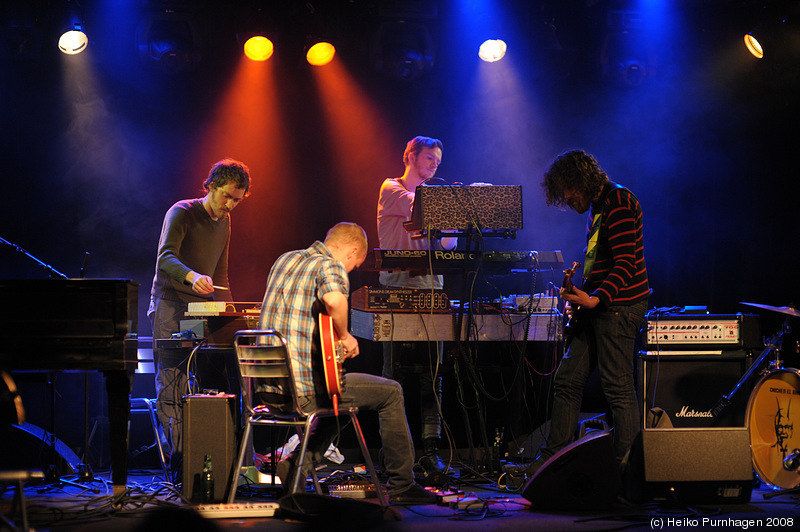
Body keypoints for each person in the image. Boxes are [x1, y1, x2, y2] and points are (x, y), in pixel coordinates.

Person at [257, 222, 436, 505]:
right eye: (354, 266)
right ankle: (402, 485)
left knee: (337, 396)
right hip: (302, 392)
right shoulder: (330, 265)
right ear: (352, 251)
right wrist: (345, 335)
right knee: (391, 392)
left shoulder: (285, 260)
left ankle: (294, 465)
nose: (349, 271)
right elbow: (335, 301)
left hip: (269, 393)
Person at [534, 149, 649, 471]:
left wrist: (597, 298)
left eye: (568, 192)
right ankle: (553, 461)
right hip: (600, 307)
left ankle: (627, 470)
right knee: (567, 381)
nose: (568, 199)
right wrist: (580, 296)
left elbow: (627, 262)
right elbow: (604, 262)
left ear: (580, 181)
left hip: (620, 307)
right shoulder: (600, 206)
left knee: (618, 387)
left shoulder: (620, 202)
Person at [148, 158, 251, 477]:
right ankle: (182, 458)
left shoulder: (226, 222)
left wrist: (232, 316)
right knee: (172, 381)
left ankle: (209, 455)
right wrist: (192, 276)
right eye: (227, 197)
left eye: (237, 199)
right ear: (211, 187)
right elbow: (165, 258)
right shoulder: (182, 211)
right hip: (170, 306)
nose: (231, 205)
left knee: (196, 379)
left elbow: (221, 272)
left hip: (197, 313)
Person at [376, 136, 457, 475]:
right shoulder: (391, 188)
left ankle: (430, 452)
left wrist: (453, 223)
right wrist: (456, 206)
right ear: (409, 156)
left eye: (438, 160)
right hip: (397, 289)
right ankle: (393, 455)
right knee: (392, 375)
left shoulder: (433, 198)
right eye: (428, 158)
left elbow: (450, 245)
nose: (434, 164)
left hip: (431, 289)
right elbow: (422, 206)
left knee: (432, 376)